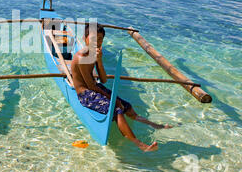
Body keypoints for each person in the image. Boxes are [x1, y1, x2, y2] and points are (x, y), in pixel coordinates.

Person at [70, 23, 172, 152]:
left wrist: (99, 61)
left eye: (100, 39)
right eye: (94, 39)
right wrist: (113, 100)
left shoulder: (94, 54)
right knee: (116, 108)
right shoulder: (81, 57)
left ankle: (154, 125)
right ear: (85, 39)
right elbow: (90, 86)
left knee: (127, 106)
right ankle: (141, 145)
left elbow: (104, 79)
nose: (97, 42)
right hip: (85, 94)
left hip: (95, 88)